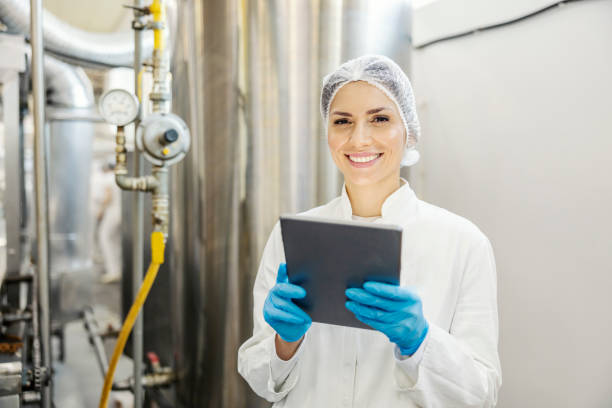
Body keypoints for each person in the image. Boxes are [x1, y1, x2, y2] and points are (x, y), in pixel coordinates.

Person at [238, 55, 501, 407]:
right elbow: (262, 380)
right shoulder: (293, 236)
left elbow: (481, 394)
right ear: (327, 132)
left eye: (380, 119)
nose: (359, 139)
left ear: (407, 129)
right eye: (342, 121)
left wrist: (420, 342)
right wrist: (285, 344)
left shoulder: (463, 243)